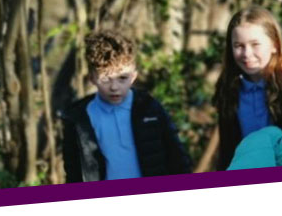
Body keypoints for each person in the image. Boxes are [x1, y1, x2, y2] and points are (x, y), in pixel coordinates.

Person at [62, 30, 192, 182]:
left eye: (123, 78)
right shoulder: (78, 119)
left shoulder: (150, 108)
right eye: (106, 79)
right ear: (92, 78)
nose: (114, 87)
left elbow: (178, 158)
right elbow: (73, 172)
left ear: (134, 76)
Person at [213, 6, 282, 170]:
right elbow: (227, 148)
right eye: (238, 45)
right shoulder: (228, 87)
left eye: (255, 44)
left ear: (274, 45)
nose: (247, 53)